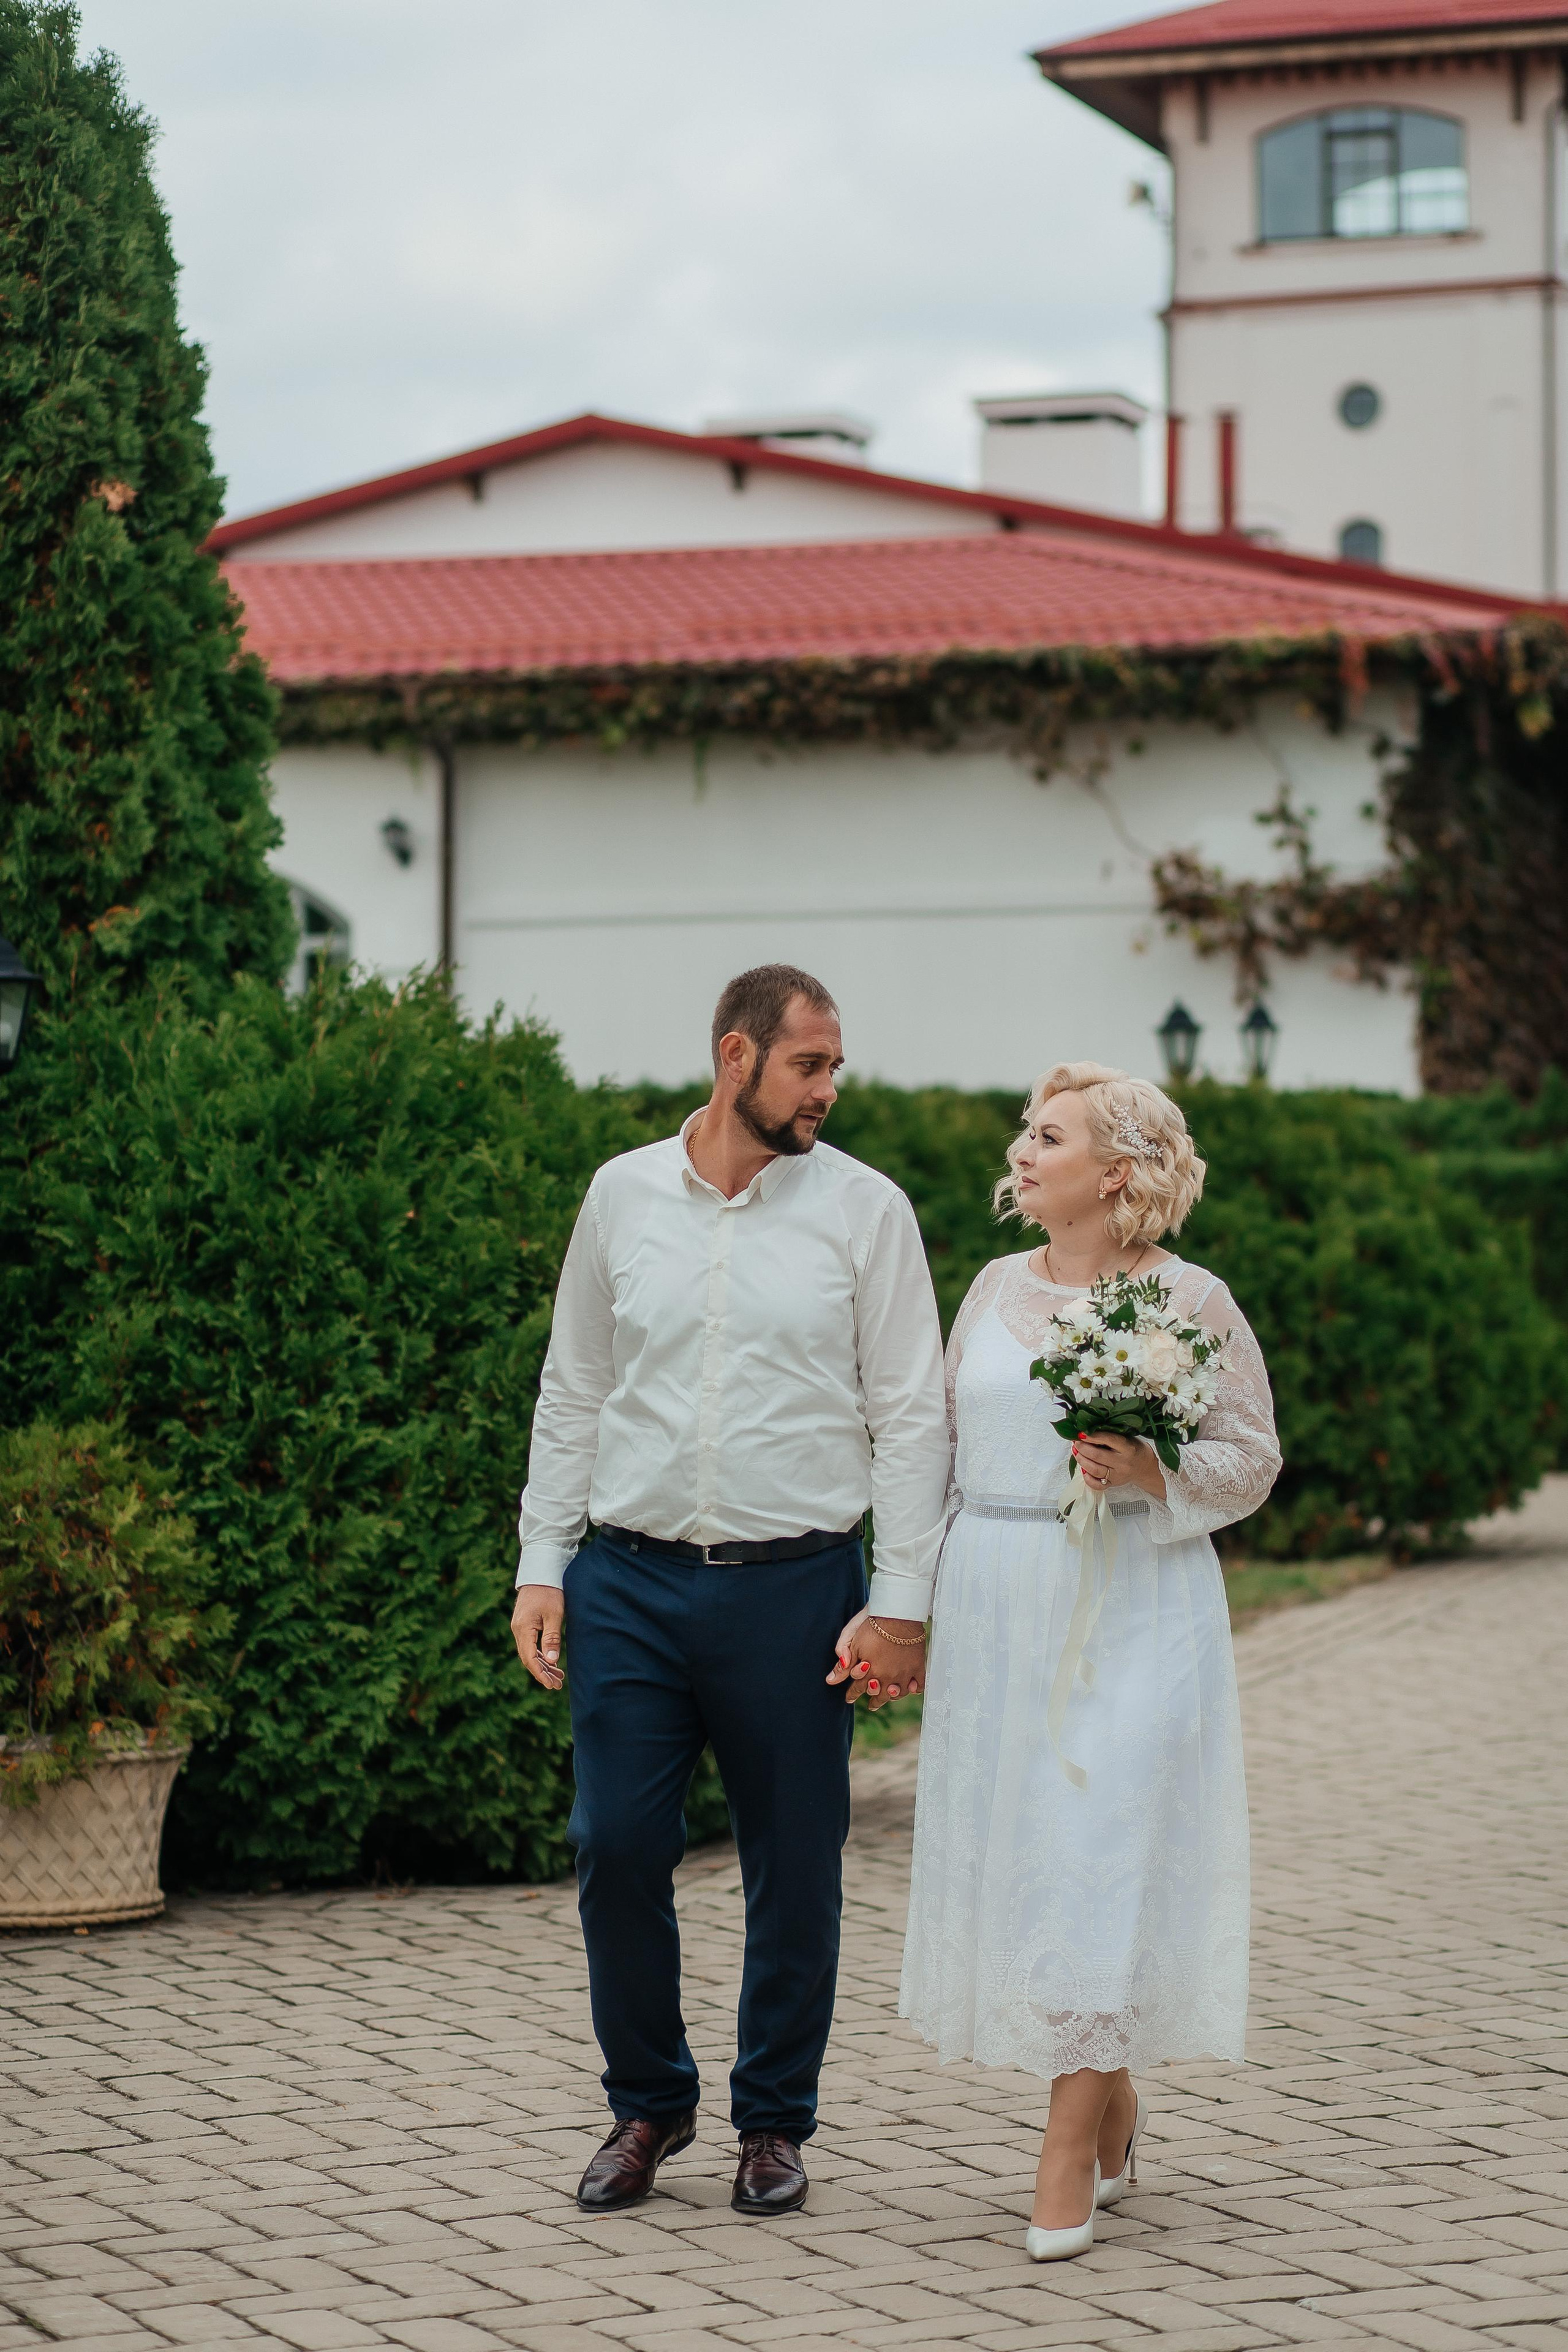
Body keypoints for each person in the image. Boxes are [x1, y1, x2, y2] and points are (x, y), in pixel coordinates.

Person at [511, 964, 949, 2218]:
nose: (825, 1090)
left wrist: (902, 1600)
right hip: (628, 1582)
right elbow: (573, 1389)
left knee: (796, 1863)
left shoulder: (866, 1213)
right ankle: (647, 2104)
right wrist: (544, 1564)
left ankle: (772, 2123)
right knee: (613, 1846)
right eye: (807, 1066)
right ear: (734, 1057)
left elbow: (910, 1417)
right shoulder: (620, 1195)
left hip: (798, 1590)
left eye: (834, 1069)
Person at [893, 1061, 1281, 2263]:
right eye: (1025, 1130)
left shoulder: (1190, 1299)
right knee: (1030, 1861)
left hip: (1133, 1602)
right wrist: (902, 1599)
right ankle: (1110, 2100)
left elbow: (1252, 1455)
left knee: (1101, 1849)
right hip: (999, 1600)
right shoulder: (990, 1287)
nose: (1021, 1148)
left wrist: (1154, 1470)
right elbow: (939, 1453)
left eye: (1046, 1134)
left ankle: (1064, 2148)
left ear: (1113, 1173)